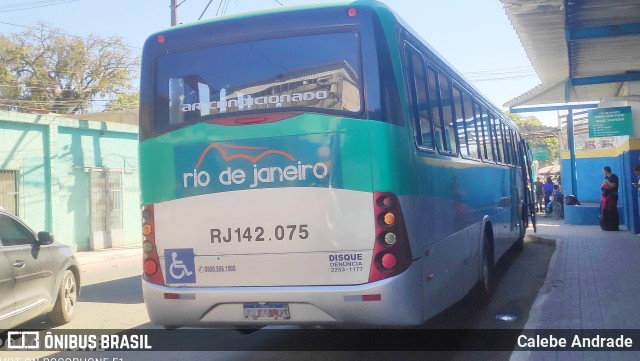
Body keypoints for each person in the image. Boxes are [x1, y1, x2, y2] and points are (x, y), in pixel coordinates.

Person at [600, 166, 619, 231]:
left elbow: (613, 185)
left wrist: (607, 182)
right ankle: (607, 226)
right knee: (606, 211)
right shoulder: (606, 177)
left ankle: (614, 226)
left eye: (603, 171)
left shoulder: (614, 177)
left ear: (606, 171)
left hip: (612, 197)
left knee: (613, 211)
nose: (603, 172)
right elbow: (603, 186)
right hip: (605, 197)